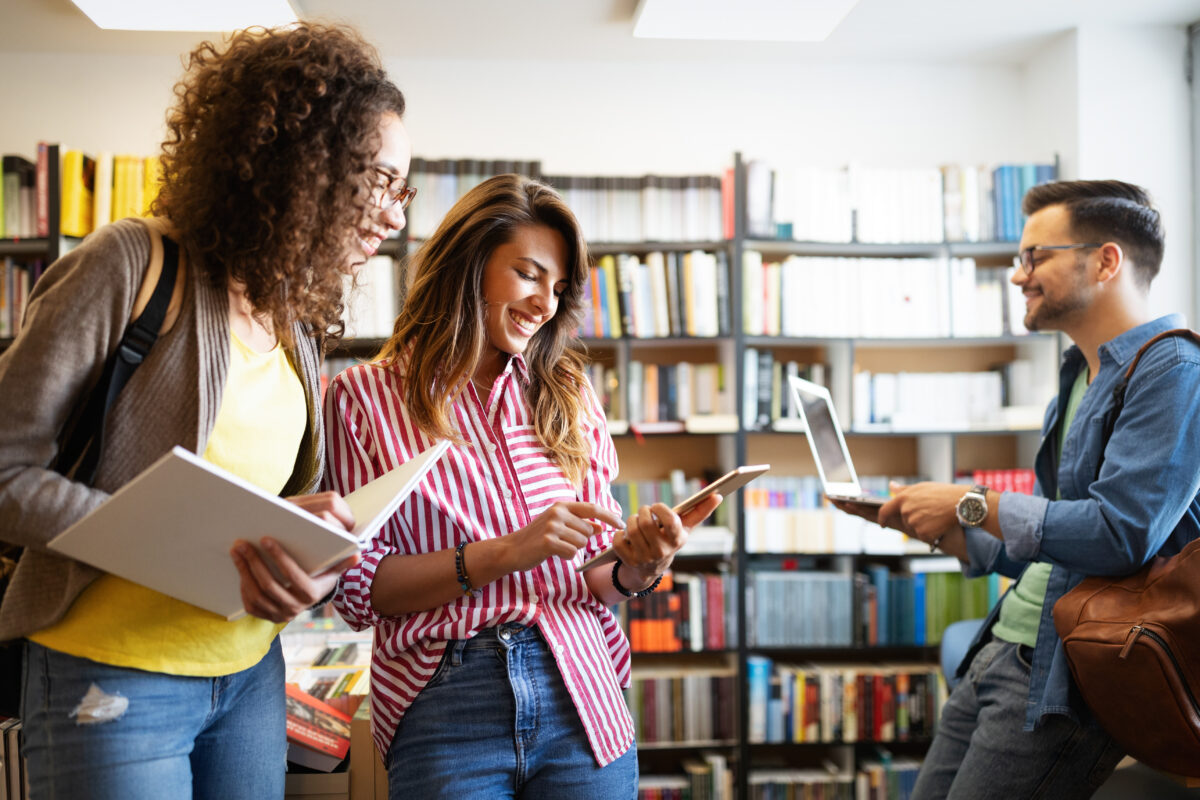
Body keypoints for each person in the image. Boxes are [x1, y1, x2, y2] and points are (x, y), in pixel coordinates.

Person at [0, 23, 411, 799]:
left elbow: (259, 512)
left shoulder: (294, 318)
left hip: (251, 681)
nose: (394, 217)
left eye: (403, 189)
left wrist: (305, 552)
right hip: (113, 681)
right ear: (304, 164)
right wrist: (177, 540)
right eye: (380, 181)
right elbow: (5, 470)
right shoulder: (128, 264)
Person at [324, 173, 721, 799]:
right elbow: (356, 590)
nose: (545, 302)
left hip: (581, 693)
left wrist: (639, 564)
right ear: (469, 263)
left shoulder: (568, 396)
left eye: (558, 287)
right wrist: (507, 553)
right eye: (529, 274)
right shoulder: (361, 399)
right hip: (446, 697)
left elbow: (594, 577)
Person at [835, 179, 1200, 799]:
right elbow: (1051, 545)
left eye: (1036, 256)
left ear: (1106, 260)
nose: (1017, 276)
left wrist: (969, 502)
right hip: (1004, 651)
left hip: (1068, 682)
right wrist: (943, 527)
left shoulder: (1176, 372)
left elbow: (1121, 536)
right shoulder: (1078, 372)